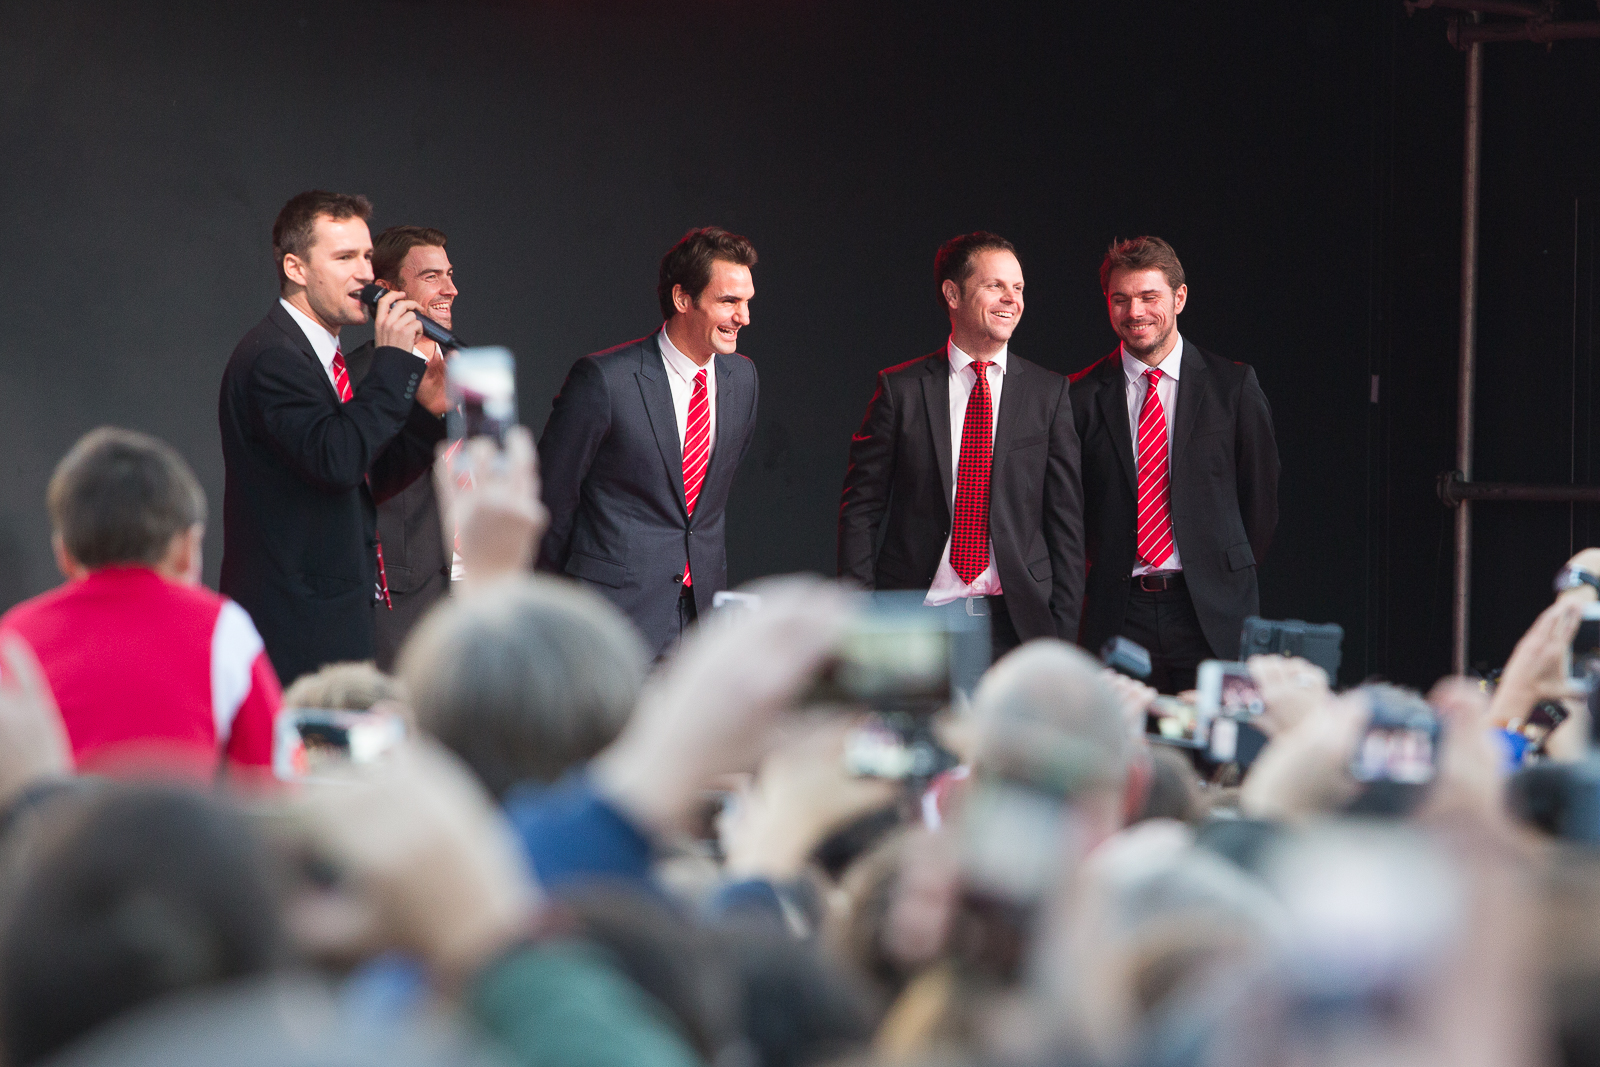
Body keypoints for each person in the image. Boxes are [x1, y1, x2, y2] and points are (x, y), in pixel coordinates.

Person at [218, 191, 448, 685]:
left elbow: (364, 477)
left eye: (366, 256)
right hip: (295, 631)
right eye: (344, 258)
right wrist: (393, 362)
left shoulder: (320, 356)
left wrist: (429, 414)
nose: (365, 274)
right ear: (296, 268)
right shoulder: (273, 358)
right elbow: (337, 460)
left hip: (333, 622)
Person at [837, 232, 1085, 660]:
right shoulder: (901, 390)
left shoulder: (1048, 393)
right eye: (995, 285)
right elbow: (861, 509)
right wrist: (863, 619)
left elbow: (1066, 523)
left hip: (1018, 627)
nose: (1011, 299)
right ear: (953, 294)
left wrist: (1060, 633)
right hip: (918, 624)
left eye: (1018, 288)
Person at [0, 428, 279, 780]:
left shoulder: (16, 637)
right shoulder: (223, 628)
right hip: (185, 816)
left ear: (64, 555)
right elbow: (274, 782)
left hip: (55, 816)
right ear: (188, 548)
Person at [537, 227, 760, 657]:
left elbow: (707, 502)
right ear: (682, 299)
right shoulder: (606, 380)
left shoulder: (743, 378)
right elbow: (550, 501)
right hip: (611, 620)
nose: (743, 317)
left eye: (747, 302)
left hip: (701, 622)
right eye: (729, 302)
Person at [1069, 236, 1279, 692]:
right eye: (1120, 299)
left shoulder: (1233, 386)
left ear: (1179, 297)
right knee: (1122, 738)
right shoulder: (1078, 396)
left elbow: (1260, 501)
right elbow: (1070, 510)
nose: (1135, 312)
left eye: (1149, 296)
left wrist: (1217, 569)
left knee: (1215, 737)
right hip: (1117, 613)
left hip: (1212, 611)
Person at [344, 226, 459, 671]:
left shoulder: (470, 373)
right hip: (402, 604)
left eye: (449, 275)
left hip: (476, 599)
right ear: (388, 292)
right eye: (431, 277)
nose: (450, 289)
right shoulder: (357, 378)